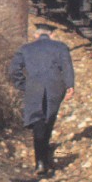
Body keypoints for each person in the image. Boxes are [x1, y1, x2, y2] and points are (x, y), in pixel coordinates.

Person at [9, 25, 75, 174]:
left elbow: (13, 70)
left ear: (36, 35)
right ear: (51, 35)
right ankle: (46, 157)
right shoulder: (61, 47)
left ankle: (40, 162)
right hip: (55, 87)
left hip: (34, 86)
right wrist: (70, 86)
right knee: (49, 118)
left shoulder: (25, 49)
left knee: (37, 120)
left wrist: (23, 84)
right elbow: (67, 68)